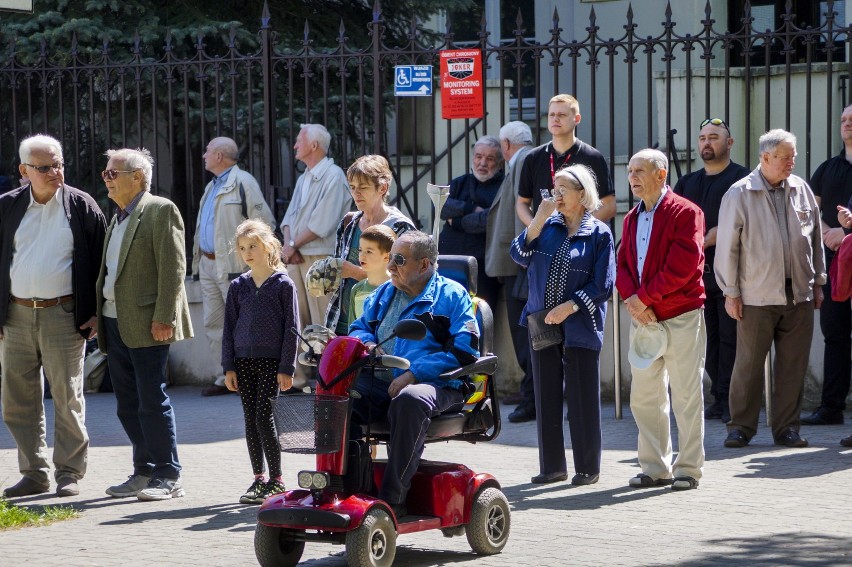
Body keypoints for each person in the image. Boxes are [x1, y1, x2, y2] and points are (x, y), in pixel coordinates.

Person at [0, 134, 106, 498]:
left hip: (63, 314)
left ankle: (69, 472)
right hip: (14, 315)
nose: (54, 172)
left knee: (67, 396)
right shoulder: (7, 206)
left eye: (58, 164)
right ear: (24, 170)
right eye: (44, 168)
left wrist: (94, 314)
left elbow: (101, 264)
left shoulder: (81, 206)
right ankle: (34, 472)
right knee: (17, 400)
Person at [348, 231, 480, 517]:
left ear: (423, 265)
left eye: (398, 259)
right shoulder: (385, 292)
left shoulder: (452, 296)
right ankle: (353, 491)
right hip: (382, 381)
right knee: (340, 398)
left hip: (441, 385)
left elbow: (467, 351)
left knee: (410, 399)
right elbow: (358, 327)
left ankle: (393, 500)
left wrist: (415, 374)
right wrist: (367, 343)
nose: (390, 267)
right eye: (391, 259)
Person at [715, 129, 825, 449]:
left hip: (799, 294)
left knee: (793, 366)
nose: (792, 162)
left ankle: (786, 428)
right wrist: (731, 291)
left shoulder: (801, 188)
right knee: (748, 366)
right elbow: (727, 248)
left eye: (793, 156)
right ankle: (740, 428)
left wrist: (818, 282)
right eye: (785, 157)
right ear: (765, 158)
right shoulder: (739, 192)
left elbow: (814, 239)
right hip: (756, 294)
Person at [97, 148, 193, 501]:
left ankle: (169, 475)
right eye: (106, 173)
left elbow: (173, 268)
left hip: (148, 322)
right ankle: (144, 470)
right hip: (113, 321)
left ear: (136, 177)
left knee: (152, 400)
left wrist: (165, 316)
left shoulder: (160, 210)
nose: (106, 178)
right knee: (126, 403)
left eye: (112, 173)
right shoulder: (118, 216)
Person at [510, 165, 614, 486]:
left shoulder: (599, 233)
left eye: (563, 188)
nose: (556, 194)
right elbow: (518, 254)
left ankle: (587, 468)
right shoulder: (547, 226)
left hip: (581, 321)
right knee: (546, 395)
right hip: (542, 320)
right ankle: (552, 467)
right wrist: (537, 220)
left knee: (582, 398)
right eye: (554, 187)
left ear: (582, 194)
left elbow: (604, 284)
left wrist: (569, 307)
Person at [616, 148, 706, 491]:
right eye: (630, 171)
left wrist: (644, 297)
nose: (633, 177)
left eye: (640, 171)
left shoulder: (686, 212)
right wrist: (633, 300)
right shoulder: (632, 217)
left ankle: (688, 469)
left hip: (681, 314)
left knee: (685, 394)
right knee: (645, 396)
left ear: (661, 175)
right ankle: (655, 468)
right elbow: (622, 264)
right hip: (645, 317)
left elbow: (684, 266)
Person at [674, 118, 750, 423]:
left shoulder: (743, 179)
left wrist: (714, 236)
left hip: (734, 273)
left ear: (729, 143)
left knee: (733, 337)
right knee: (708, 338)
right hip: (696, 276)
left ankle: (733, 399)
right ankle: (719, 397)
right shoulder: (687, 183)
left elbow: (745, 220)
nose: (707, 143)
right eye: (703, 137)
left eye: (714, 138)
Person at [222, 219, 298, 504]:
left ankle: (277, 479)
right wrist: (228, 366)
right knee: (249, 419)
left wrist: (287, 367)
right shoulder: (238, 286)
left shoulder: (283, 285)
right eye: (242, 248)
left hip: (270, 361)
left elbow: (292, 327)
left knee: (263, 417)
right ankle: (258, 478)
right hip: (243, 361)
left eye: (253, 246)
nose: (248, 252)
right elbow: (229, 328)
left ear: (268, 246)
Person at [193, 136, 275, 397]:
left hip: (234, 268)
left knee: (244, 323)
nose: (204, 155)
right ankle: (226, 376)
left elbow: (264, 224)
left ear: (219, 156)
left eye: (208, 151)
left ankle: (248, 378)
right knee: (214, 324)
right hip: (208, 265)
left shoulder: (244, 182)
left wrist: (256, 263)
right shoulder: (211, 187)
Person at [280, 124, 352, 381]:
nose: (295, 145)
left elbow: (324, 223)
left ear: (314, 146)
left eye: (299, 141)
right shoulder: (304, 178)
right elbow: (288, 218)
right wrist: (290, 246)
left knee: (323, 321)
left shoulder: (333, 176)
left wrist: (292, 246)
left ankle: (329, 378)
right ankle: (295, 379)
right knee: (295, 318)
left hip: (319, 258)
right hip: (297, 256)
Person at [323, 154, 414, 336]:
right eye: (353, 187)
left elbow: (406, 281)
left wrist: (353, 272)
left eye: (363, 188)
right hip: (341, 322)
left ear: (383, 188)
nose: (356, 193)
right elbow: (338, 272)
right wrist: (323, 278)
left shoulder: (400, 227)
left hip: (381, 326)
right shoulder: (348, 222)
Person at [801, 104, 852, 426]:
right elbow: (809, 209)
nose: (846, 124)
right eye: (844, 119)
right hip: (834, 265)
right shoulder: (828, 168)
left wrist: (847, 231)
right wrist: (828, 233)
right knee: (834, 335)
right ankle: (831, 408)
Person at [484, 121, 536, 422]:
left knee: (525, 334)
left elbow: (521, 211)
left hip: (517, 260)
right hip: (515, 260)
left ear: (505, 145)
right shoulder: (525, 159)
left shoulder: (522, 160)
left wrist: (522, 255)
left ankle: (532, 399)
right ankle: (532, 396)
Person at [516, 94, 616, 228]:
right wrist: (537, 227)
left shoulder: (592, 157)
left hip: (580, 240)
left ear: (577, 119)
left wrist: (575, 229)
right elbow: (522, 202)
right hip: (545, 240)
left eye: (562, 115)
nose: (555, 119)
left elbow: (609, 205)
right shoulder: (533, 157)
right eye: (552, 115)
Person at [438, 136, 505, 308]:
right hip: (448, 261)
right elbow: (440, 206)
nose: (482, 163)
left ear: (499, 162)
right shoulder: (460, 183)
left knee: (478, 316)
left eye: (489, 158)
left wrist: (458, 222)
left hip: (482, 268)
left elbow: (489, 220)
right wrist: (471, 209)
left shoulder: (503, 187)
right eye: (478, 156)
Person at [348, 224, 394, 325]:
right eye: (360, 250)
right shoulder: (357, 289)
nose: (362, 256)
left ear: (387, 257)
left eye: (369, 251)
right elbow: (353, 329)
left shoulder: (396, 288)